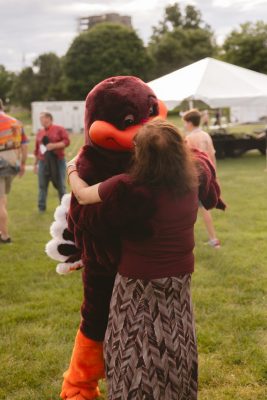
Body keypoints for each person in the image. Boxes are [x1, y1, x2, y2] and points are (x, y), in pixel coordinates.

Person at [66, 119, 223, 399]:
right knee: (176, 340)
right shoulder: (193, 179)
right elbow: (202, 160)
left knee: (132, 344)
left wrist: (72, 168)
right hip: (180, 278)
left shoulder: (127, 186)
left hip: (136, 283)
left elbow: (82, 195)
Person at [183, 108, 221, 248]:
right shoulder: (206, 135)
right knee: (202, 208)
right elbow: (212, 156)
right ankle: (212, 239)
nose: (185, 126)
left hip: (196, 177)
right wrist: (214, 175)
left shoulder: (189, 138)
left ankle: (213, 240)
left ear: (190, 122)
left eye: (185, 123)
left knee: (198, 209)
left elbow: (187, 159)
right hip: (208, 175)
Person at [0, 99, 28, 243]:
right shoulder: (15, 122)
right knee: (3, 199)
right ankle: (1, 230)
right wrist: (23, 164)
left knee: (0, 202)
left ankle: (5, 236)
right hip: (12, 164)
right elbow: (24, 145)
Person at [34, 112, 70, 212]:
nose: (42, 121)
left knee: (61, 185)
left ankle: (65, 209)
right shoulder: (40, 133)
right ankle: (41, 208)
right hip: (43, 162)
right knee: (42, 185)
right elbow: (37, 149)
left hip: (58, 160)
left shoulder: (59, 129)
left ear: (49, 119)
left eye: (43, 119)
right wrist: (35, 164)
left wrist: (54, 146)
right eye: (40, 119)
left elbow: (67, 141)